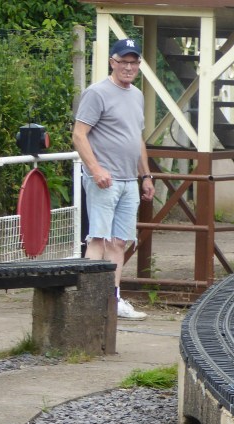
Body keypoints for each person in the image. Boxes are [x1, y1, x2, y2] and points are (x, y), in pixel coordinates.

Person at [72, 37, 155, 320]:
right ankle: (87, 301)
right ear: (112, 62)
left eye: (133, 62)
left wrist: (146, 175)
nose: (128, 67)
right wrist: (95, 169)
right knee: (98, 238)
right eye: (123, 61)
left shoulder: (137, 95)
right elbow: (79, 135)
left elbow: (137, 138)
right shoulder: (97, 93)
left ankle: (113, 298)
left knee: (119, 242)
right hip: (104, 180)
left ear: (139, 65)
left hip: (129, 180)